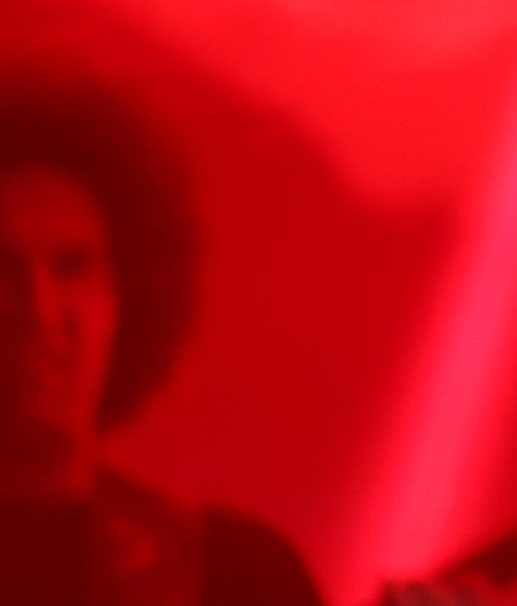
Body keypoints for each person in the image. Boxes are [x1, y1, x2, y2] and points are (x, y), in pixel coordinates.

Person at [0, 73, 324, 606]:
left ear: (128, 300)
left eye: (72, 267)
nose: (40, 308)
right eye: (2, 270)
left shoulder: (235, 572)